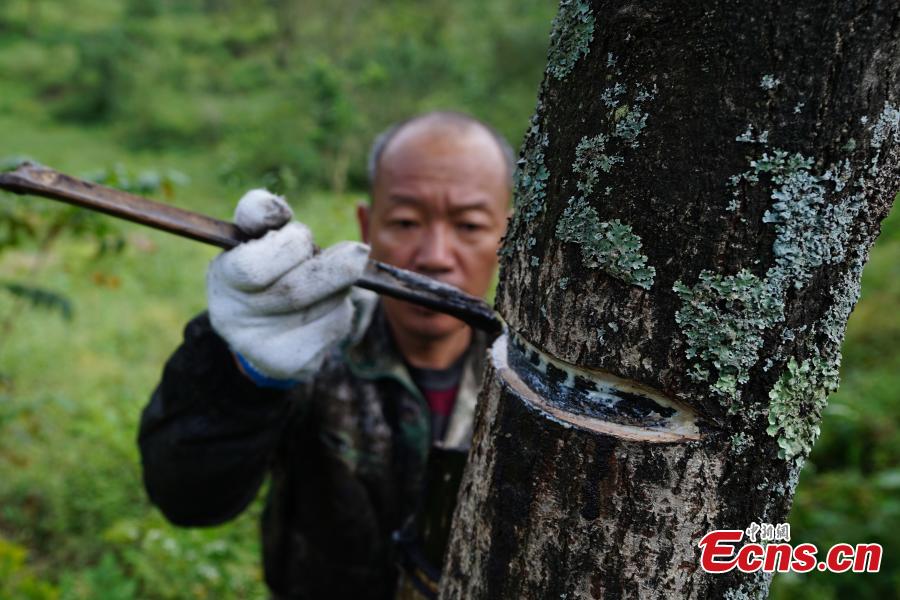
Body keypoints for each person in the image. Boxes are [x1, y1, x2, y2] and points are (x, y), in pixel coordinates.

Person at [138, 111, 514, 600]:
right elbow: (186, 496)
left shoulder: (533, 382)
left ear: (509, 235)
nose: (436, 254)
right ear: (367, 224)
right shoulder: (312, 344)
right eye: (405, 221)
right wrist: (240, 374)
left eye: (468, 224)